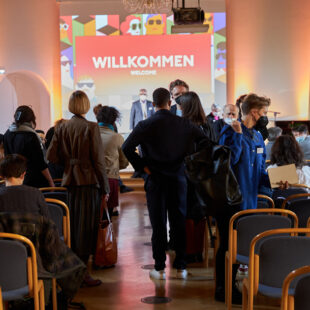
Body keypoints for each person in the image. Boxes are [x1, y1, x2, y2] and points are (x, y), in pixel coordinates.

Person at [122, 88, 206, 280]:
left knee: (158, 223)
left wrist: (142, 167)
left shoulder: (145, 124)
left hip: (156, 180)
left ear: (153, 104)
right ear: (170, 103)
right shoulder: (185, 124)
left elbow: (126, 147)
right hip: (179, 179)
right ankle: (181, 266)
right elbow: (205, 143)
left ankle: (159, 267)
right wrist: (188, 163)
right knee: (179, 222)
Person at [47, 90, 110, 286]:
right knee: (87, 229)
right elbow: (99, 161)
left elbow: (51, 156)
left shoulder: (62, 127)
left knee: (73, 228)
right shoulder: (91, 127)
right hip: (89, 182)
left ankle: (74, 271)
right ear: (86, 105)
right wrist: (106, 187)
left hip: (70, 183)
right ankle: (82, 274)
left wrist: (69, 162)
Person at [216, 93, 271, 303]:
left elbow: (261, 168)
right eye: (264, 112)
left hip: (251, 201)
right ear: (255, 112)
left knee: (244, 247)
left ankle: (238, 286)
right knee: (228, 246)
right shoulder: (230, 131)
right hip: (231, 200)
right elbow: (229, 162)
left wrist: (272, 185)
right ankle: (223, 288)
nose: (265, 116)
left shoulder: (257, 136)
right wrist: (238, 136)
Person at [4, 105, 54, 188]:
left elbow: (7, 157)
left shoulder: (7, 134)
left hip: (13, 180)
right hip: (33, 181)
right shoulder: (30, 136)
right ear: (31, 119)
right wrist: (50, 181)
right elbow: (40, 163)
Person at [96, 105, 129, 217]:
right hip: (110, 178)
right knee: (107, 214)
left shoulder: (89, 133)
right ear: (114, 120)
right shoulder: (117, 137)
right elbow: (124, 162)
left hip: (91, 178)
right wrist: (113, 166)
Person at [0, 154, 49, 218]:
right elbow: (47, 220)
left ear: (2, 176)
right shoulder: (36, 193)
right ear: (23, 174)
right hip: (33, 228)